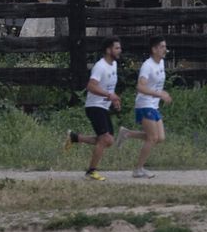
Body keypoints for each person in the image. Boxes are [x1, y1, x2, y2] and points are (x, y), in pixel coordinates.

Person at [63, 36, 142, 181]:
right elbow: (91, 86)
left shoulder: (113, 65)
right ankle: (91, 172)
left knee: (109, 140)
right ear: (108, 50)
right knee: (105, 139)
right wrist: (109, 95)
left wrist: (114, 99)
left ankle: (74, 137)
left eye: (119, 47)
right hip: (94, 106)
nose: (120, 50)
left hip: (103, 106)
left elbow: (108, 87)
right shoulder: (100, 66)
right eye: (117, 48)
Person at [131, 36, 171, 178]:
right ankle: (138, 170)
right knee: (152, 138)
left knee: (160, 138)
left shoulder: (161, 63)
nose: (164, 49)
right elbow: (140, 87)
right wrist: (159, 94)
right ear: (153, 49)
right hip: (144, 104)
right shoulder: (147, 66)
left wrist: (162, 94)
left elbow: (156, 85)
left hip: (154, 105)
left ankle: (127, 134)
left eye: (165, 46)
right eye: (161, 47)